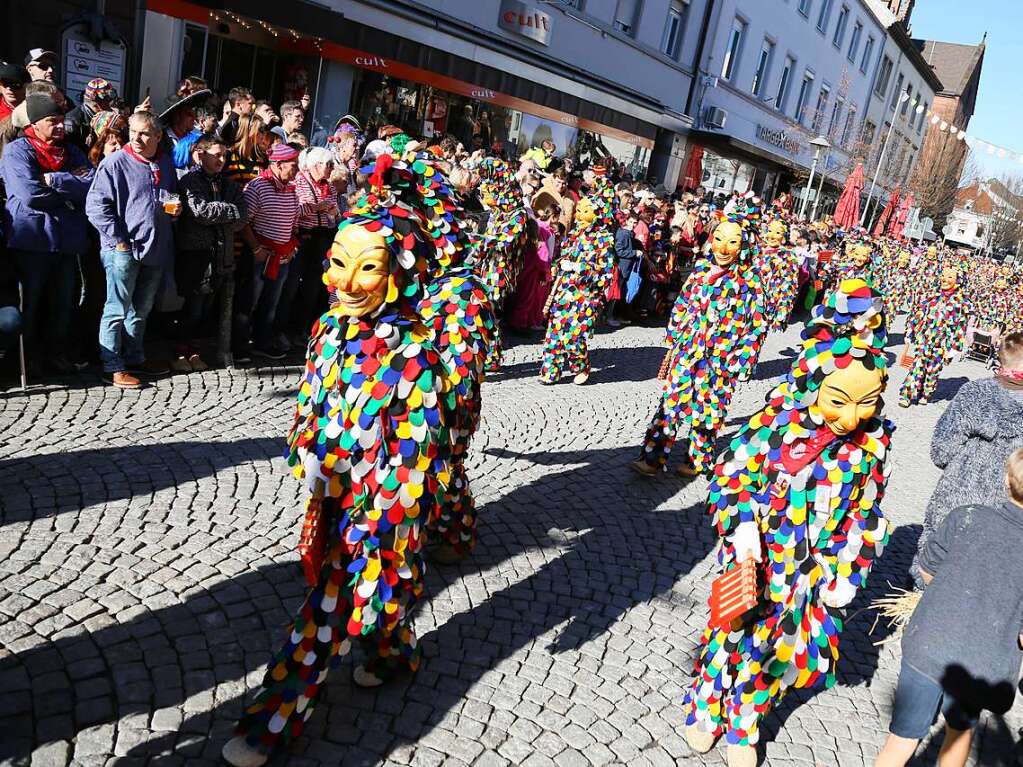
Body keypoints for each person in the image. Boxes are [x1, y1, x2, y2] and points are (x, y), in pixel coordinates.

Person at [221, 147, 494, 767]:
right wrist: (312, 460)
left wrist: (375, 508)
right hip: (337, 493)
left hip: (379, 504)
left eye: (364, 268)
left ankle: (274, 718)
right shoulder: (327, 328)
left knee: (342, 593)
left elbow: (416, 450)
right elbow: (312, 404)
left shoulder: (417, 355)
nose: (341, 281)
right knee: (378, 602)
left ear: (398, 272)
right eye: (338, 262)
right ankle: (393, 650)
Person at [683, 280, 893, 767]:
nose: (851, 416)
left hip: (807, 573)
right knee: (730, 632)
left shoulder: (873, 443)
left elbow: (867, 509)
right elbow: (731, 475)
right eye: (839, 400)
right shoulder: (778, 425)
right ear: (814, 383)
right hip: (756, 556)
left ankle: (745, 722)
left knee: (779, 648)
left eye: (868, 402)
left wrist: (847, 568)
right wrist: (741, 525)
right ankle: (706, 705)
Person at [875, 449, 1023, 767]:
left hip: (928, 644)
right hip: (981, 666)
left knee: (900, 741)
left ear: (1005, 480)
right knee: (959, 733)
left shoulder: (967, 515)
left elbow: (927, 571)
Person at [632, 210, 765, 477]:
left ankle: (697, 460)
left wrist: (741, 360)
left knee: (707, 409)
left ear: (744, 246)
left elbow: (757, 326)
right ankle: (653, 458)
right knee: (671, 403)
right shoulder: (701, 271)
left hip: (721, 361)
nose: (723, 248)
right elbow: (682, 305)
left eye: (732, 242)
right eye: (719, 239)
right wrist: (675, 337)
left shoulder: (750, 283)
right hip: (689, 351)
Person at [908, 332, 1023, 588]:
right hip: (1008, 515)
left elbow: (942, 450)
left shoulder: (975, 393)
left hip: (955, 500)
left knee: (930, 571)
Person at [1, 93, 94, 375]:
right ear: (35, 124)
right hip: (32, 241)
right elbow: (29, 195)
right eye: (52, 121)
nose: (59, 126)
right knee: (32, 302)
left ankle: (55, 353)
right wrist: (68, 195)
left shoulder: (73, 151)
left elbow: (91, 184)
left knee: (64, 303)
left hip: (66, 242)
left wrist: (56, 179)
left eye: (61, 120)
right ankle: (26, 358)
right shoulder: (18, 151)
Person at [86, 110, 179, 388]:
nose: (137, 138)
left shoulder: (165, 162)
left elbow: (171, 194)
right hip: (123, 250)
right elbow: (95, 206)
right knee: (116, 308)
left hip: (155, 246)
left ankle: (134, 357)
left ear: (158, 136)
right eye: (133, 133)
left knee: (141, 308)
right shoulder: (114, 163)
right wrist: (119, 240)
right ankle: (112, 366)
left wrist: (174, 211)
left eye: (145, 133)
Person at [174, 134, 247, 372]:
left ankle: (194, 347)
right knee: (192, 305)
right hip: (196, 253)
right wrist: (227, 210)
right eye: (217, 154)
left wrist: (222, 213)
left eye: (224, 155)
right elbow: (199, 211)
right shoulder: (190, 181)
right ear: (202, 154)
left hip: (221, 253)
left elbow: (242, 217)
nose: (222, 159)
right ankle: (181, 350)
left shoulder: (230, 184)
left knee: (206, 307)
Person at [539, 168, 616, 385]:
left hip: (585, 295)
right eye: (579, 211)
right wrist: (558, 266)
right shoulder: (575, 235)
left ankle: (579, 365)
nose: (580, 216)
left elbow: (604, 272)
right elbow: (562, 257)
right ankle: (550, 370)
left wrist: (579, 269)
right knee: (555, 331)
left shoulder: (604, 240)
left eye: (586, 212)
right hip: (564, 291)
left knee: (574, 334)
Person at [236, 142, 300, 360]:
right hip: (259, 256)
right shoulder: (257, 186)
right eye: (293, 165)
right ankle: (240, 345)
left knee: (270, 304)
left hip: (282, 257)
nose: (297, 170)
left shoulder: (292, 189)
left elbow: (293, 223)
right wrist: (255, 248)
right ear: (279, 165)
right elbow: (244, 222)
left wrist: (292, 247)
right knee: (249, 302)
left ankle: (262, 342)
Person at [472, 156, 531, 371]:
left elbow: (503, 241)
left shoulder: (518, 215)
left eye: (488, 193)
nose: (484, 197)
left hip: (501, 272)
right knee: (485, 310)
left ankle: (492, 355)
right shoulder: (497, 214)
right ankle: (489, 353)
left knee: (492, 311)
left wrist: (480, 242)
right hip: (485, 269)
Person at [276, 145, 337, 346]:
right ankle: (283, 329)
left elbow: (333, 210)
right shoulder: (299, 181)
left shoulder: (331, 185)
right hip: (303, 238)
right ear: (315, 165)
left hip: (323, 238)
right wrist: (317, 207)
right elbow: (296, 210)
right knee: (292, 285)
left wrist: (332, 213)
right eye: (328, 164)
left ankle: (305, 329)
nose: (331, 168)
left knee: (314, 285)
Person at [899, 265, 967, 407]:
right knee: (917, 366)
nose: (945, 279)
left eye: (950, 277)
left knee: (932, 370)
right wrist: (910, 330)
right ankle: (907, 395)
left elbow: (961, 326)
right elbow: (918, 313)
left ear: (958, 281)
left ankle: (926, 393)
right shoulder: (932, 296)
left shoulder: (960, 303)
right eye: (943, 275)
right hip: (924, 339)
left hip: (942, 344)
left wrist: (954, 348)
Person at [66, 77, 115, 150]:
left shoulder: (106, 117)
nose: (112, 105)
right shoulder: (72, 122)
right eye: (109, 101)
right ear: (97, 104)